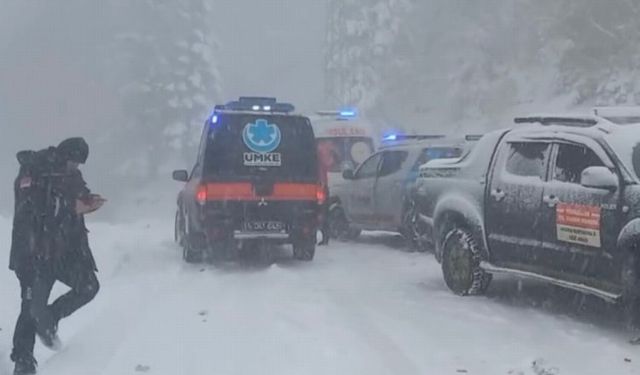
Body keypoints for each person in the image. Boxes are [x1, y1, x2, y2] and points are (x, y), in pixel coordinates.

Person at [9, 137, 105, 375]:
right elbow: (32, 209)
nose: (76, 167)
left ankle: (50, 318)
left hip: (64, 252)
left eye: (79, 164)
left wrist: (88, 201)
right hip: (34, 253)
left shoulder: (70, 175)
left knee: (89, 286)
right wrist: (71, 207)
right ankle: (23, 360)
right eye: (74, 162)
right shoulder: (33, 170)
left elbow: (78, 194)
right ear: (64, 155)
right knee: (30, 305)